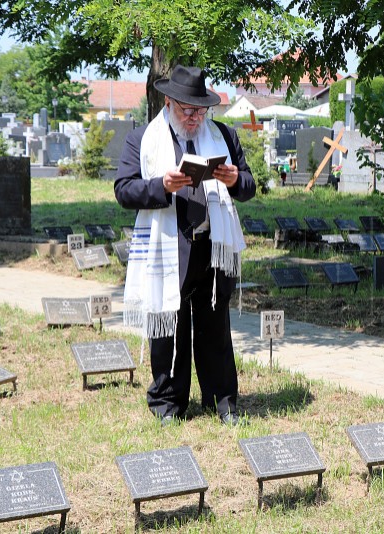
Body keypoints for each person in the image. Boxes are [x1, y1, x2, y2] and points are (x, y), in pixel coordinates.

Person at [115, 65, 255, 426]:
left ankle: (222, 403)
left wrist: (237, 178)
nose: (193, 118)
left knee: (216, 329)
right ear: (168, 102)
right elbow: (124, 190)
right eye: (186, 110)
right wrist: (162, 184)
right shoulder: (143, 139)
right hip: (169, 246)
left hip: (212, 244)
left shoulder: (223, 136)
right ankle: (168, 405)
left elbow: (249, 186)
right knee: (168, 330)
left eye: (200, 111)